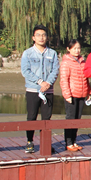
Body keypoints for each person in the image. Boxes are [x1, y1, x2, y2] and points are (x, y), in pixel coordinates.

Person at [20, 25, 59, 153]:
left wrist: (48, 83)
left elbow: (55, 70)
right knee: (31, 116)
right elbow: (25, 71)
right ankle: (29, 142)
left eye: (44, 35)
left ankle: (45, 142)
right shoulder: (28, 53)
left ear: (47, 37)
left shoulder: (52, 53)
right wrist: (40, 82)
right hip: (33, 90)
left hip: (48, 90)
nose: (41, 37)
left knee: (46, 118)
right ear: (33, 37)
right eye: (38, 35)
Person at [59, 38, 89, 152]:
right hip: (72, 94)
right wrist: (67, 95)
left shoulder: (82, 61)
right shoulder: (66, 62)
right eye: (74, 48)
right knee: (70, 118)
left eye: (78, 48)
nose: (77, 50)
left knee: (77, 119)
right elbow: (64, 80)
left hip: (81, 93)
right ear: (68, 49)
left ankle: (74, 140)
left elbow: (86, 78)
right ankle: (68, 142)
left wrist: (88, 91)